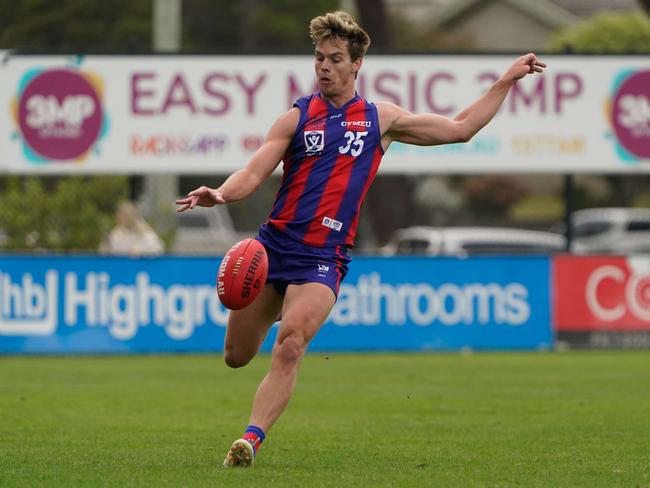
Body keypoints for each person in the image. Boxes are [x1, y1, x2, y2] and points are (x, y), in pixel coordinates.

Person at [175, 10, 546, 468]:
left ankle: (250, 439)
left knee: (290, 344)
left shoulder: (380, 119)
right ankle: (272, 312)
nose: (324, 66)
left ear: (356, 66)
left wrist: (506, 80)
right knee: (235, 356)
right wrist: (221, 193)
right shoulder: (295, 118)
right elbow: (254, 171)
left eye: (334, 58)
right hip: (271, 250)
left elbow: (460, 129)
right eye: (318, 58)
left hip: (323, 258)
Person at [99, 201, 164, 256]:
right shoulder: (116, 234)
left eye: (124, 215)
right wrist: (106, 244)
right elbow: (107, 254)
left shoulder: (145, 232)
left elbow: (158, 249)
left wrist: (140, 251)